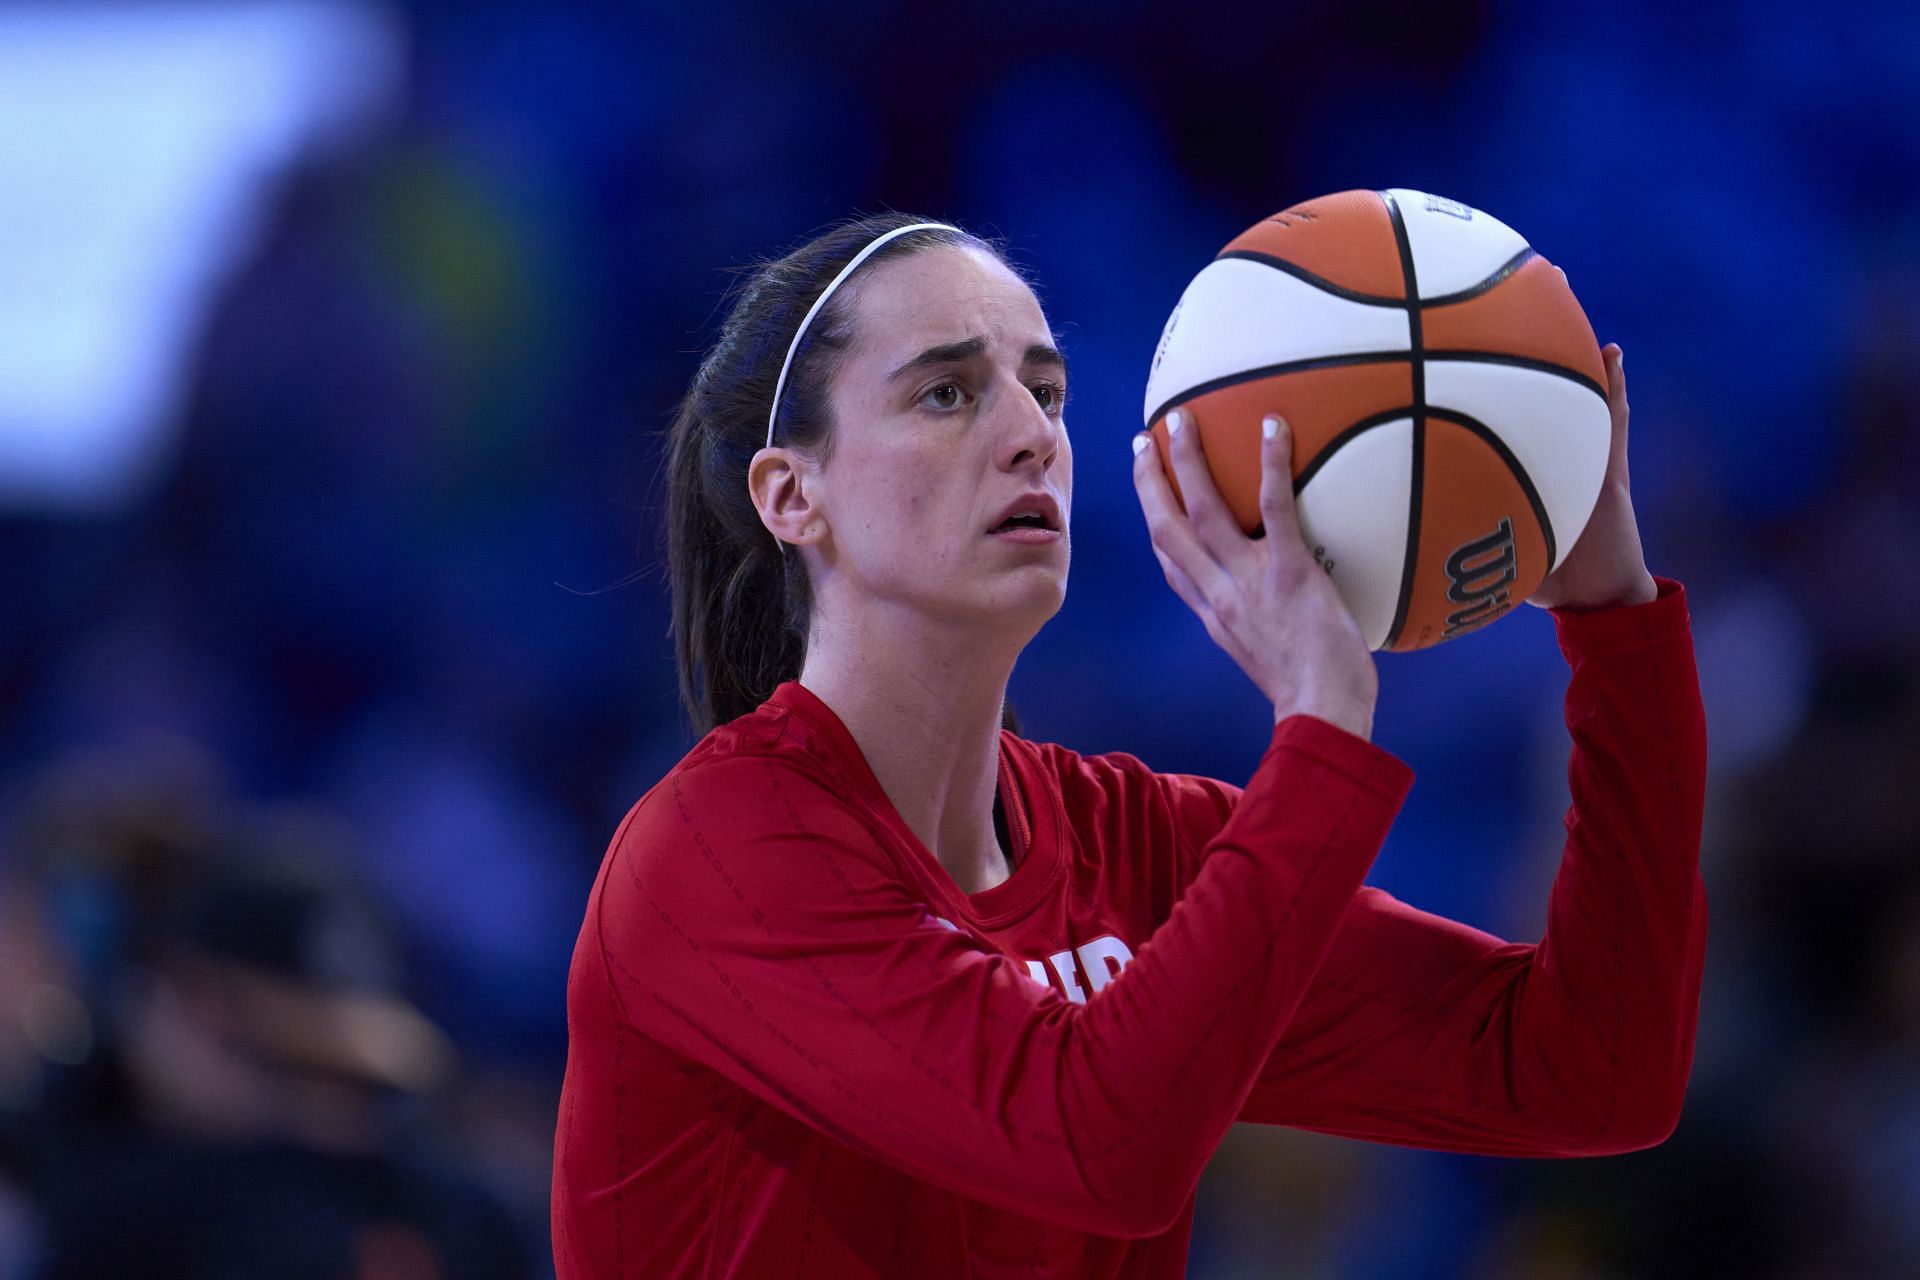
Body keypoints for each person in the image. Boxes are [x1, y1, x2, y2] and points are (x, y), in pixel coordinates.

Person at [550, 214, 1707, 1278]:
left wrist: (1614, 620)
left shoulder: (1139, 843)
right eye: (948, 394)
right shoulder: (719, 853)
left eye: (1045, 391)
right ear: (790, 493)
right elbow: (1097, 1145)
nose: (1030, 435)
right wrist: (1317, 726)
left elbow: (1590, 1071)